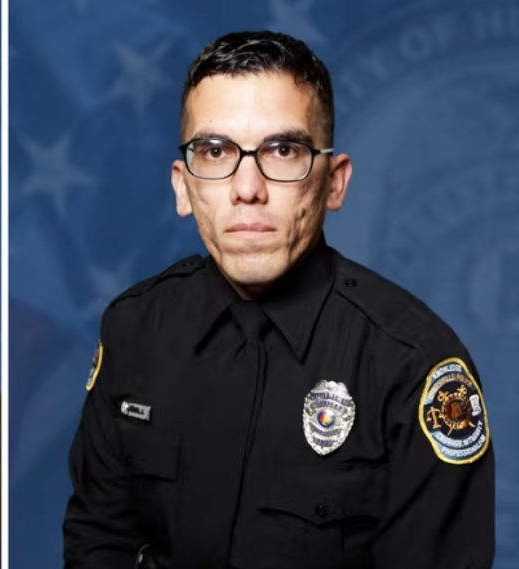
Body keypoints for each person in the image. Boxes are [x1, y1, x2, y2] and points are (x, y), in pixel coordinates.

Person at [63, 30, 493, 569]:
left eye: (283, 150)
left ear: (334, 182)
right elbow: (97, 542)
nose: (248, 188)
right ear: (183, 186)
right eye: (215, 151)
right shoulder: (134, 330)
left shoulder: (413, 365)